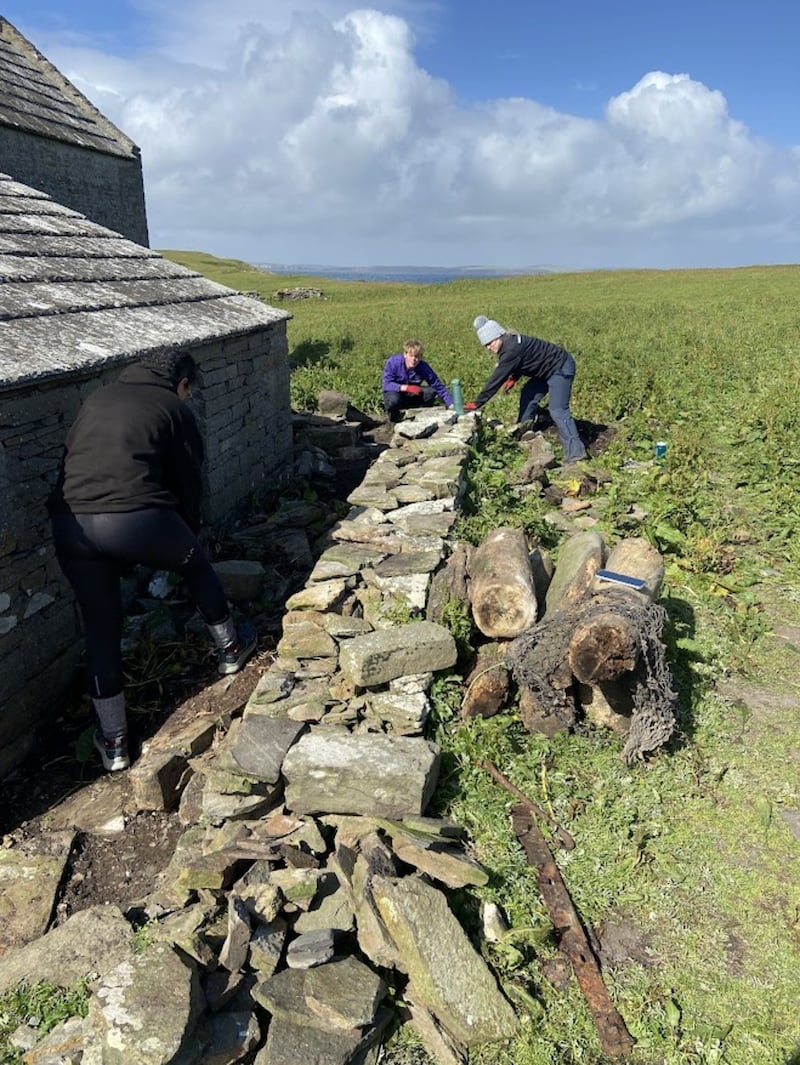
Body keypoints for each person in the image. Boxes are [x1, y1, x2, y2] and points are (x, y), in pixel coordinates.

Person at [48, 350, 257, 773]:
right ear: (181, 382)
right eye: (189, 389)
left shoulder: (98, 398)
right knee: (196, 566)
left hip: (73, 525)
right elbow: (188, 477)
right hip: (139, 520)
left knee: (101, 630)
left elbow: (67, 462)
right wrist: (188, 533)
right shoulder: (173, 409)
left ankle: (114, 742)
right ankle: (231, 649)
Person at [467, 316, 587, 464]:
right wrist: (514, 378)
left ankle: (576, 454)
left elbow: (496, 379)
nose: (488, 348)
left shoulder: (510, 349)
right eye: (485, 345)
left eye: (489, 343)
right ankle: (524, 433)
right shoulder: (510, 343)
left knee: (558, 410)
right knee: (528, 394)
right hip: (545, 371)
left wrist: (478, 402)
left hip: (560, 367)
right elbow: (526, 360)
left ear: (498, 337)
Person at [382, 340, 453, 422]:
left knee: (430, 392)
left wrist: (451, 403)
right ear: (405, 354)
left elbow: (438, 386)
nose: (414, 359)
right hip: (395, 393)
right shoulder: (393, 362)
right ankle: (394, 419)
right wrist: (405, 388)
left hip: (412, 395)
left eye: (417, 357)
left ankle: (421, 416)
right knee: (393, 401)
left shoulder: (423, 367)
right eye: (411, 356)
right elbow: (387, 385)